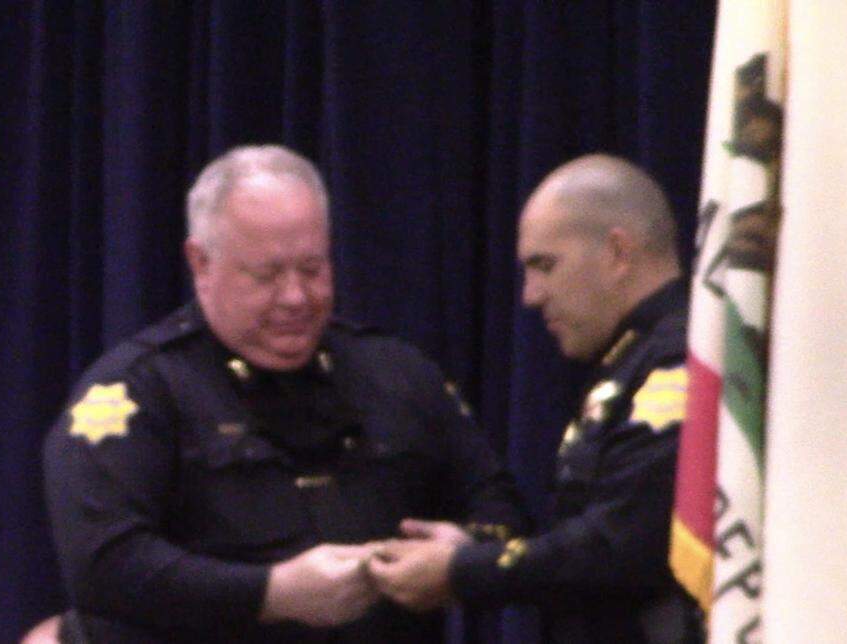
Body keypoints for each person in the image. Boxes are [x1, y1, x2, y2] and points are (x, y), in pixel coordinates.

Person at [42, 144, 527, 642]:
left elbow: (501, 508)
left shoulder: (397, 374)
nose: (296, 297)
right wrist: (270, 593)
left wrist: (462, 553)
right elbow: (103, 565)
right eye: (267, 275)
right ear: (201, 263)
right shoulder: (140, 390)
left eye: (313, 269)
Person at [368, 154, 702, 643]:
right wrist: (470, 553)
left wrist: (464, 569)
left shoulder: (679, 363)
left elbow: (619, 547)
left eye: (545, 266)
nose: (530, 295)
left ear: (617, 253)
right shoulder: (630, 362)